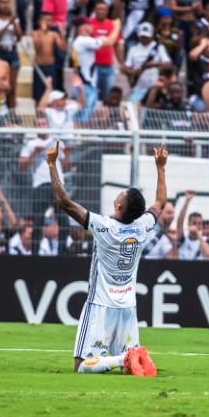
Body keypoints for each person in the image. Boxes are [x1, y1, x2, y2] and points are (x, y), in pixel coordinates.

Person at [47, 140, 163, 376]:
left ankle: (124, 358)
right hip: (128, 306)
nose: (119, 192)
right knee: (127, 371)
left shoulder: (104, 226)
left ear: (119, 204)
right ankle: (130, 356)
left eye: (122, 192)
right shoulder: (141, 227)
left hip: (100, 305)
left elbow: (63, 202)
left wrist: (52, 164)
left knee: (81, 365)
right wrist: (161, 168)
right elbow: (160, 203)